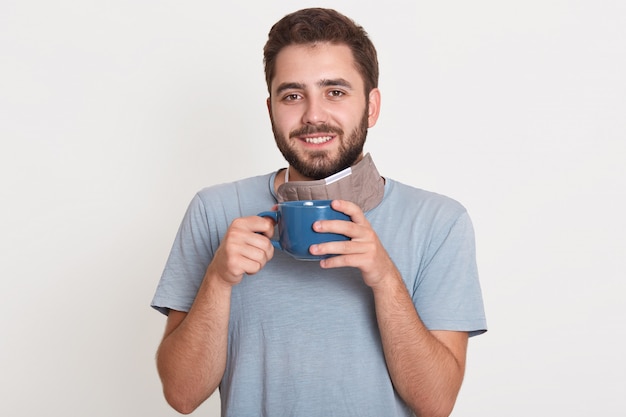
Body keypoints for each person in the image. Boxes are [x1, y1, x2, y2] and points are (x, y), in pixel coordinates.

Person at [151, 7, 487, 417]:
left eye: (336, 92)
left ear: (372, 107)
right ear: (271, 108)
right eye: (292, 95)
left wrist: (385, 278)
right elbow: (181, 395)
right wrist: (219, 280)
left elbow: (436, 403)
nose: (313, 115)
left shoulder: (439, 222)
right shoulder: (214, 210)